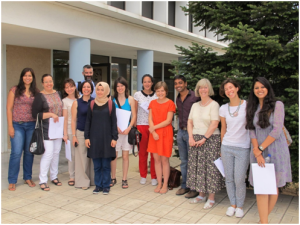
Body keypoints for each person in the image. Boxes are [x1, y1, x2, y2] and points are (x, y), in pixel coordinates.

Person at [245, 77, 292, 224]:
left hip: (276, 150)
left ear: (268, 88)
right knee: (261, 187)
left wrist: (259, 149)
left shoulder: (277, 105)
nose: (259, 90)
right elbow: (251, 130)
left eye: (262, 87)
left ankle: (262, 221)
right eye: (256, 87)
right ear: (253, 91)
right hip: (258, 150)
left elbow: (277, 130)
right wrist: (257, 151)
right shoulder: (251, 106)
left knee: (273, 187)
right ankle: (264, 221)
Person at [186, 78, 225, 209]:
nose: (203, 90)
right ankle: (201, 195)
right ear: (197, 90)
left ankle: (211, 198)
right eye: (200, 87)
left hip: (210, 139)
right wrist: (191, 137)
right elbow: (189, 122)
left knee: (210, 169)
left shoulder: (214, 105)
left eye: (205, 87)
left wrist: (204, 138)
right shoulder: (195, 105)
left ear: (209, 89)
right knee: (199, 168)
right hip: (195, 139)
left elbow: (215, 123)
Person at [219, 78, 250, 218]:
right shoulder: (223, 108)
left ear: (237, 88)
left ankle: (240, 206)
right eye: (226, 89)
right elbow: (223, 129)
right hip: (227, 147)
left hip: (243, 147)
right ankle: (232, 205)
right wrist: (221, 147)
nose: (229, 91)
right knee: (229, 178)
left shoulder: (247, 105)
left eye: (231, 87)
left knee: (239, 179)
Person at [6, 68, 39, 191]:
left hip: (31, 125)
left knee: (29, 152)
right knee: (16, 153)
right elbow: (9, 109)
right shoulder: (14, 90)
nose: (27, 78)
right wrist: (10, 126)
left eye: (29, 75)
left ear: (32, 77)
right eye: (25, 75)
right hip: (17, 125)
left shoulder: (35, 91)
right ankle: (12, 180)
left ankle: (27, 177)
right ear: (22, 77)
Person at [84, 82, 118, 194]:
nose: (99, 92)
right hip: (94, 138)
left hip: (107, 139)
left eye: (102, 90)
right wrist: (87, 137)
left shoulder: (110, 104)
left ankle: (106, 185)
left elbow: (114, 122)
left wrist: (114, 138)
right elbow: (88, 121)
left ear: (106, 91)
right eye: (98, 89)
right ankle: (98, 185)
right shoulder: (92, 104)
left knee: (106, 165)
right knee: (97, 165)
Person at [32, 74, 63, 191]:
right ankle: (43, 180)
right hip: (46, 129)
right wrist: (50, 114)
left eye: (50, 81)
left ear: (53, 82)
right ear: (42, 84)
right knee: (48, 153)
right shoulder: (40, 96)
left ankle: (54, 176)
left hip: (58, 128)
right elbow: (35, 115)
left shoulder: (58, 93)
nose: (49, 83)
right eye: (46, 82)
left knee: (56, 152)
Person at [174, 75, 200, 198]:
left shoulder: (195, 96)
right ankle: (185, 186)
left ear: (185, 83)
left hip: (192, 133)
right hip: (181, 132)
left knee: (193, 161)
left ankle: (194, 188)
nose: (178, 85)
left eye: (180, 83)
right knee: (184, 161)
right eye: (176, 84)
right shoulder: (178, 98)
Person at [147, 81, 176, 194]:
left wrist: (153, 128)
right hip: (154, 134)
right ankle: (159, 183)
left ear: (166, 91)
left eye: (162, 90)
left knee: (164, 160)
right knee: (156, 160)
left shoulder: (170, 103)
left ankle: (165, 184)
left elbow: (168, 121)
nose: (160, 93)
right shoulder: (152, 103)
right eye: (158, 91)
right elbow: (150, 118)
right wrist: (153, 131)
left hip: (165, 133)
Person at [111, 77, 136, 189]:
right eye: (118, 86)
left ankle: (124, 178)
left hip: (126, 132)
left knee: (125, 156)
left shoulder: (130, 99)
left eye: (122, 85)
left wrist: (129, 128)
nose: (120, 88)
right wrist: (115, 127)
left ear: (125, 86)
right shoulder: (112, 100)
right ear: (115, 88)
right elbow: (110, 116)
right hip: (115, 132)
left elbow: (134, 115)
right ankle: (113, 177)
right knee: (114, 156)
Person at [134, 74, 158, 186]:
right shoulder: (137, 95)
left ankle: (154, 176)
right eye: (145, 82)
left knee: (154, 153)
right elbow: (134, 111)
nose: (147, 84)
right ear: (142, 83)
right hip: (141, 126)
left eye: (149, 81)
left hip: (153, 127)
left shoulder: (157, 95)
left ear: (152, 83)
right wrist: (134, 126)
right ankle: (143, 175)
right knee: (142, 153)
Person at [71, 80, 95, 190]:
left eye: (88, 87)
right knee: (82, 158)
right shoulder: (76, 102)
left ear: (91, 89)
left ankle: (93, 180)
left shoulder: (95, 102)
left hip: (93, 133)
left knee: (92, 157)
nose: (86, 89)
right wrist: (74, 136)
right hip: (80, 132)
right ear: (81, 88)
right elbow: (73, 120)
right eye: (84, 87)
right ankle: (83, 182)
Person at [62, 78, 79, 186]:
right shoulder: (64, 101)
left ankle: (80, 174)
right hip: (69, 129)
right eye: (67, 87)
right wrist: (64, 134)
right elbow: (64, 118)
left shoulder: (80, 98)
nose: (69, 89)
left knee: (80, 154)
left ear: (75, 87)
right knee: (71, 154)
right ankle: (72, 176)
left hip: (80, 129)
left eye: (71, 86)